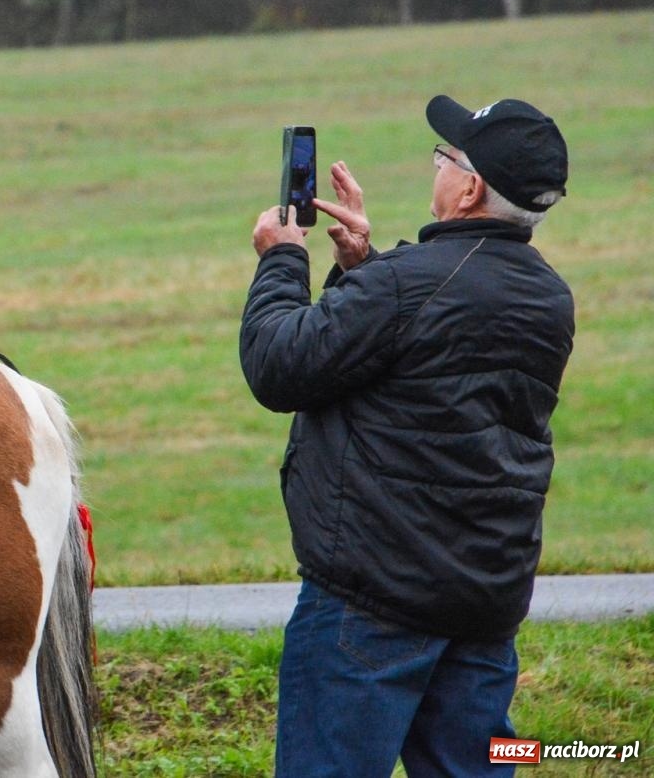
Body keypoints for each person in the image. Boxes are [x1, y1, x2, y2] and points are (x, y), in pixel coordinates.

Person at [239, 96, 574, 777]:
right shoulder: (549, 297)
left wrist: (281, 260)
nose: (439, 166)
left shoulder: (406, 286)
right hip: (483, 601)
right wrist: (361, 268)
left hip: (370, 603)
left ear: (471, 187)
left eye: (446, 156)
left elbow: (278, 367)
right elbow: (429, 364)